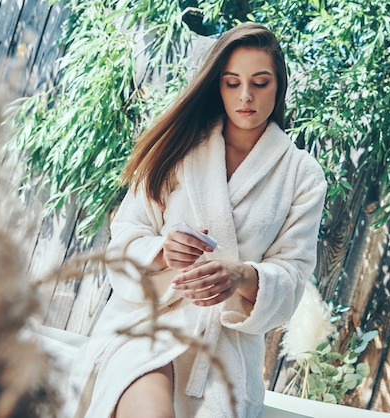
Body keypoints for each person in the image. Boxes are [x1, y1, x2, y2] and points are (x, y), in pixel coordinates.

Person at [65, 23, 327, 418]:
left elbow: (292, 278)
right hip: (148, 325)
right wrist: (162, 250)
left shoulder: (303, 175)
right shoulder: (181, 147)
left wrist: (242, 276)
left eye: (260, 82)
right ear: (217, 86)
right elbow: (125, 237)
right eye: (231, 82)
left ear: (279, 85)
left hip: (222, 350)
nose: (245, 96)